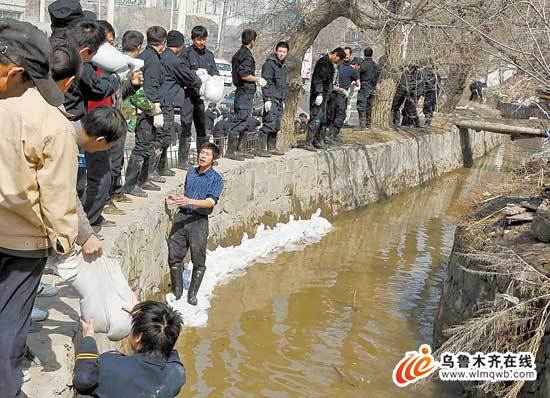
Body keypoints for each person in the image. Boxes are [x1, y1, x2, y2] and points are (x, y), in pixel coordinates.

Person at [0, 19, 78, 397]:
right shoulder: (52, 121)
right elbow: (58, 193)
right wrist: (64, 241)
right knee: (10, 322)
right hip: (24, 240)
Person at [73, 301, 185, 397]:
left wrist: (89, 338)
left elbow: (83, 381)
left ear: (138, 337)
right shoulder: (177, 374)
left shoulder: (108, 364)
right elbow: (170, 353)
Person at [166, 142, 224, 305]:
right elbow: (185, 193)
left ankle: (192, 294)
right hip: (182, 216)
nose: (202, 155)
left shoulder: (216, 179)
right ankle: (177, 292)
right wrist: (176, 199)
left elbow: (210, 202)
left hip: (199, 221)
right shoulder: (191, 171)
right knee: (174, 255)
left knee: (198, 258)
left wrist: (189, 200)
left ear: (213, 159)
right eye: (201, 152)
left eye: (207, 154)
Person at [123, 26, 167, 198]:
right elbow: (150, 87)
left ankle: (143, 179)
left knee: (147, 144)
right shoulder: (153, 61)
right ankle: (131, 184)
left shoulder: (143, 57)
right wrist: (154, 108)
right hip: (146, 109)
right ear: (163, 43)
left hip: (144, 107)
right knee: (142, 145)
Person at [159, 30, 203, 174]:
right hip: (167, 101)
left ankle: (159, 167)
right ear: (180, 45)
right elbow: (190, 78)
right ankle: (159, 168)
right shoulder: (174, 60)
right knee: (165, 135)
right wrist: (200, 78)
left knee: (160, 134)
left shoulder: (162, 56)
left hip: (160, 99)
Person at [179, 26, 219, 154]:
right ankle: (183, 158)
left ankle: (203, 156)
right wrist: (195, 74)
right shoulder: (186, 54)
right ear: (193, 39)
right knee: (186, 124)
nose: (201, 42)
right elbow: (182, 72)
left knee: (202, 126)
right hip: (188, 94)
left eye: (203, 39)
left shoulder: (209, 55)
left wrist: (214, 78)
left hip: (203, 97)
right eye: (198, 39)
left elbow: (215, 72)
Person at [227, 29, 267, 161]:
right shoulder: (246, 56)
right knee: (241, 119)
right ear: (252, 41)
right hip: (244, 92)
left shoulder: (239, 54)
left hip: (244, 93)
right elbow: (244, 75)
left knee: (244, 121)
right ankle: (232, 150)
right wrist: (257, 79)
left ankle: (240, 149)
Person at [304, 47, 346, 151]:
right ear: (335, 54)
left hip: (325, 95)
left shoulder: (330, 64)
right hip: (318, 96)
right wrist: (318, 93)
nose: (338, 63)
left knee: (323, 119)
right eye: (339, 60)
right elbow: (318, 79)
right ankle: (308, 142)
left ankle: (318, 140)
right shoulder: (323, 63)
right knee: (316, 118)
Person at [257, 41, 289, 157]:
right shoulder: (269, 64)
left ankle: (271, 147)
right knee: (269, 123)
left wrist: (283, 100)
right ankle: (260, 148)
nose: (281, 54)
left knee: (276, 125)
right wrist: (267, 99)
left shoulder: (284, 66)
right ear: (276, 51)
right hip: (271, 98)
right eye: (280, 51)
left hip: (280, 99)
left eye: (284, 52)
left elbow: (283, 85)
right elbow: (266, 83)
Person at [326, 52, 360, 143]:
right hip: (341, 95)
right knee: (341, 114)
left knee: (331, 113)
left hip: (331, 94)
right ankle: (333, 134)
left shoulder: (336, 68)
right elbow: (358, 84)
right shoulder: (352, 71)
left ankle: (327, 132)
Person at [356, 46, 379, 129]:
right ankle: (368, 124)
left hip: (364, 86)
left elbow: (357, 75)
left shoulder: (362, 64)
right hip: (373, 87)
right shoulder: (376, 65)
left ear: (364, 54)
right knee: (369, 106)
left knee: (361, 105)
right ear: (372, 54)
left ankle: (362, 125)